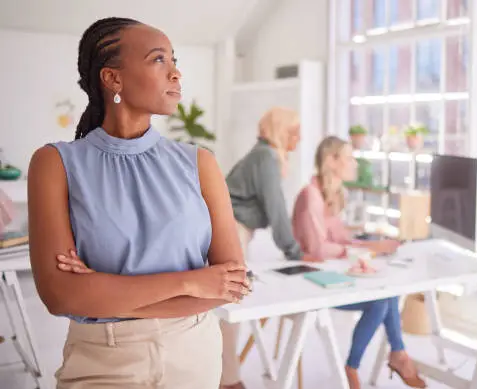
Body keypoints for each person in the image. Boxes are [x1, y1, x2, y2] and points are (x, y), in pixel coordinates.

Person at [27, 17, 250, 389]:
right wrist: (193, 282)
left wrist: (101, 293)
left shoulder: (200, 164)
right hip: (102, 361)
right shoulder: (54, 163)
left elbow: (231, 283)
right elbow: (60, 295)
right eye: (158, 59)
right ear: (113, 78)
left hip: (194, 355)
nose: (176, 73)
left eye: (173, 60)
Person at [292, 136, 427, 389]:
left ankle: (393, 355)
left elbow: (341, 239)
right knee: (380, 301)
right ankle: (359, 365)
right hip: (309, 279)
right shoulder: (311, 196)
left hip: (327, 271)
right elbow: (318, 248)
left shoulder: (330, 193)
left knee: (387, 294)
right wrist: (372, 247)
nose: (355, 163)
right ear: (331, 161)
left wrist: (374, 243)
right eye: (350, 157)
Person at [220, 107, 318, 389]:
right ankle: (229, 381)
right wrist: (296, 253)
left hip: (233, 230)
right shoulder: (265, 157)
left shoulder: (263, 154)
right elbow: (276, 210)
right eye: (294, 133)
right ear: (280, 131)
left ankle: (225, 376)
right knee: (231, 305)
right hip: (231, 231)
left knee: (231, 303)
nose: (297, 140)